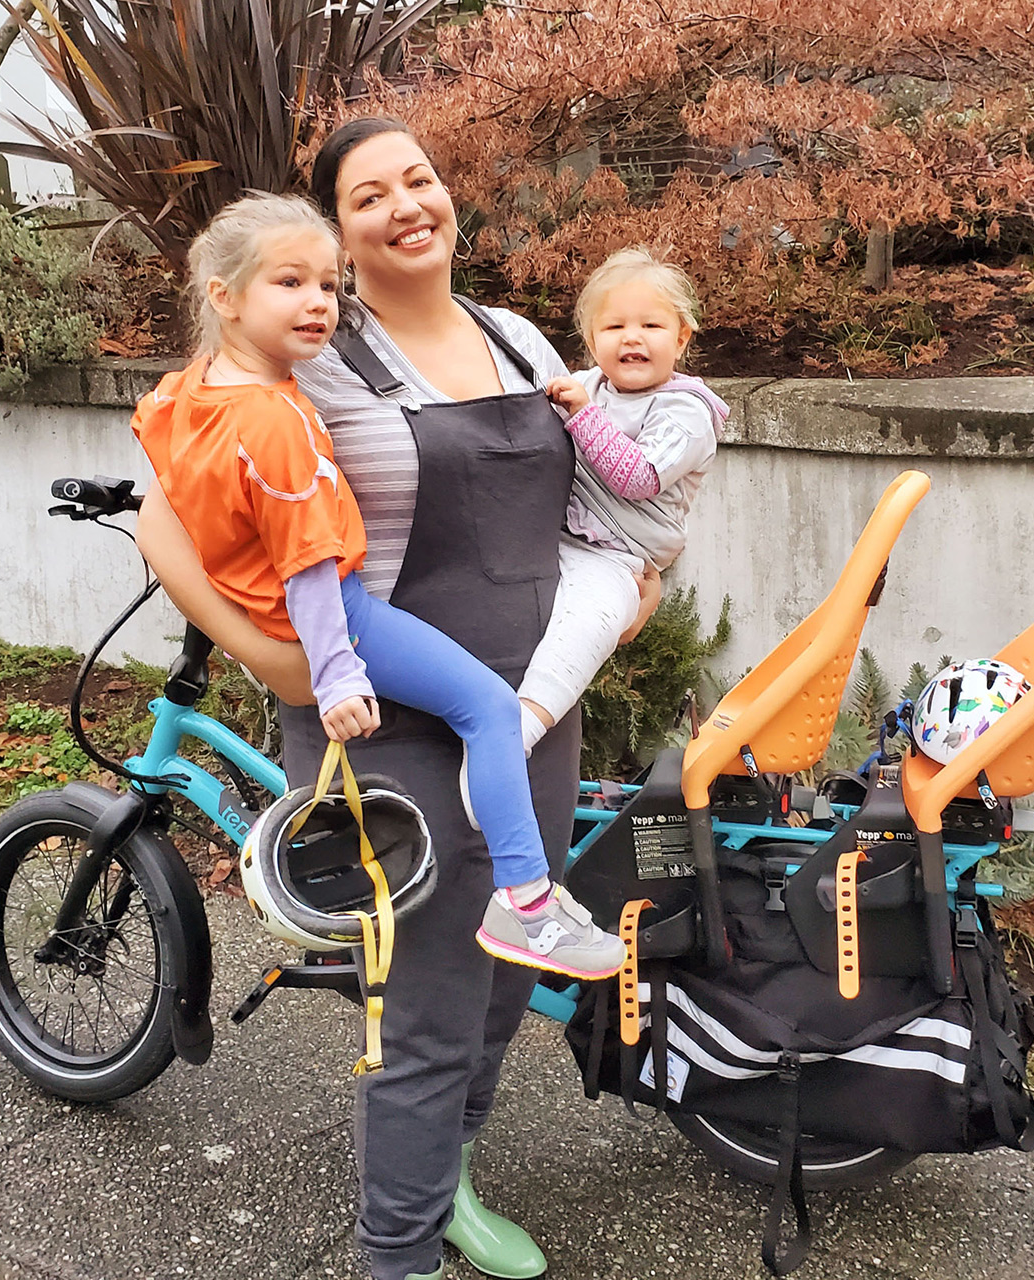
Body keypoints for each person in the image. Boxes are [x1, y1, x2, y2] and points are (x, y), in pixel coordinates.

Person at [135, 119, 660, 1280]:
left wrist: (637, 584)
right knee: (426, 992)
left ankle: (445, 1173)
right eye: (368, 195)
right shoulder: (309, 344)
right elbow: (160, 509)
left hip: (529, 705)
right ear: (338, 229)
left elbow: (602, 495)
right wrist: (266, 656)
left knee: (510, 970)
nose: (404, 204)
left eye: (418, 178)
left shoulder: (517, 336)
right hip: (387, 715)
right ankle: (396, 1248)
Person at [129, 192, 625, 983]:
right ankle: (529, 903)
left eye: (328, 286)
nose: (319, 303)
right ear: (223, 297)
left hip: (285, 605)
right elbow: (309, 565)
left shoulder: (187, 394)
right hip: (338, 615)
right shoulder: (277, 421)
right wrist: (334, 673)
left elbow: (166, 460)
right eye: (289, 283)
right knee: (489, 709)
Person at [520, 246, 728, 754]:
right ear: (592, 341)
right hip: (556, 535)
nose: (632, 337)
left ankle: (520, 727)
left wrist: (583, 415)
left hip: (618, 556)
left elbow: (639, 477)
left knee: (586, 627)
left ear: (681, 338)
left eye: (651, 327)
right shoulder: (588, 386)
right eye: (613, 328)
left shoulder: (688, 412)